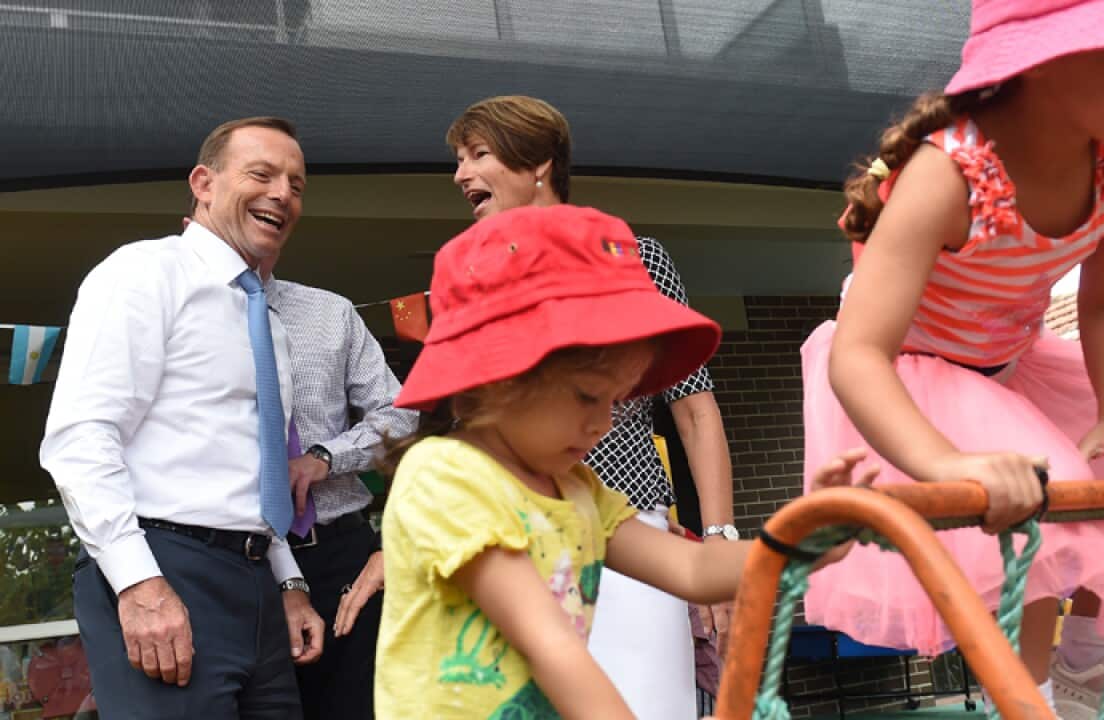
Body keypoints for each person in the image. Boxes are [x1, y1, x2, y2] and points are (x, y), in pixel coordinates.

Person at [803, 1, 1104, 717]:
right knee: (1039, 505)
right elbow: (858, 351)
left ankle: (1095, 667)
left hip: (1012, 363)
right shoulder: (950, 173)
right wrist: (945, 462)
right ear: (1043, 55)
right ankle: (1029, 700)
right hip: (913, 375)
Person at [373, 203, 876, 719]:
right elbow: (548, 644)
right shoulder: (446, 478)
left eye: (618, 400)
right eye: (589, 396)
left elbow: (694, 567)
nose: (605, 423)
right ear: (502, 378)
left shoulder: (576, 489)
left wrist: (808, 538)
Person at [447, 94, 737, 718]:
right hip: (515, 538)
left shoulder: (633, 257)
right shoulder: (473, 277)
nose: (460, 174)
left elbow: (694, 409)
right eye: (459, 160)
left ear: (539, 165)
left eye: (478, 154)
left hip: (631, 528)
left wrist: (718, 537)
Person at [40, 116, 325, 719]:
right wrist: (139, 583)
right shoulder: (143, 272)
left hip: (256, 585)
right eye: (262, 173)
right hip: (165, 565)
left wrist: (289, 583)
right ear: (203, 182)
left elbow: (251, 472)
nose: (283, 193)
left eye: (297, 184)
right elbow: (82, 438)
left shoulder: (268, 321)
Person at [253, 255, 418, 720]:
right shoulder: (179, 317)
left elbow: (399, 414)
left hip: (341, 556)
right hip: (240, 561)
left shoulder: (331, 313)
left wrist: (325, 457)